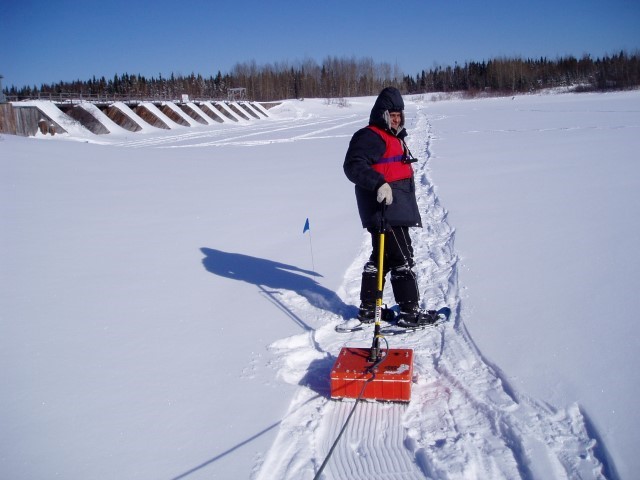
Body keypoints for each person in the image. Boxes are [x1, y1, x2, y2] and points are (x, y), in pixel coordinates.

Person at [343, 86, 431, 327]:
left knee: (381, 258)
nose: (396, 119)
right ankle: (409, 313)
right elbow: (353, 165)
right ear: (381, 114)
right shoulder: (370, 136)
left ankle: (370, 309)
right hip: (384, 210)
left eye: (399, 115)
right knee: (402, 258)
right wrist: (379, 183)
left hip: (395, 209)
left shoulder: (394, 138)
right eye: (391, 115)